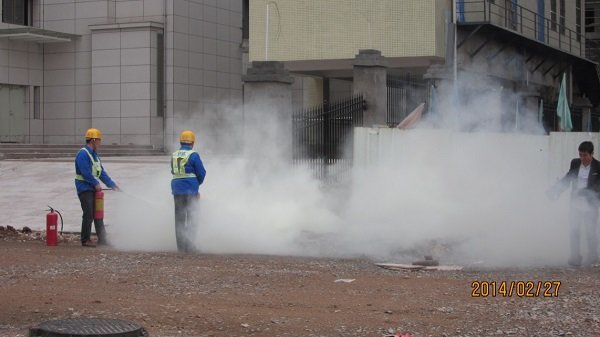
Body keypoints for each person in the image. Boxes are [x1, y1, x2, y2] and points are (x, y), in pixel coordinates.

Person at [548, 141, 600, 267]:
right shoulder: (575, 163)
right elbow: (568, 178)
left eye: (585, 155)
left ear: (592, 154)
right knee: (574, 230)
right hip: (575, 204)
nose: (583, 158)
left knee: (590, 231)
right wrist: (556, 190)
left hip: (590, 205)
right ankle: (575, 257)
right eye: (581, 155)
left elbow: (598, 186)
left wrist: (586, 192)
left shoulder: (598, 167)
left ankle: (593, 258)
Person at [74, 128, 120, 247]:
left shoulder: (94, 155)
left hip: (93, 189)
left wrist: (112, 185)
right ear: (93, 140)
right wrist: (95, 183)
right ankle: (85, 240)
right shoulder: (83, 154)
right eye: (99, 140)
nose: (100, 143)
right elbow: (85, 172)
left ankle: (103, 239)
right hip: (84, 189)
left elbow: (101, 172)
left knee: (98, 215)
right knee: (88, 214)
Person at [171, 130, 206, 252]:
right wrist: (197, 184)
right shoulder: (193, 155)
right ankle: (190, 246)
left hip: (176, 189)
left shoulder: (174, 154)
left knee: (179, 218)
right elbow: (202, 172)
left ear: (181, 141)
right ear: (192, 142)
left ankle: (181, 247)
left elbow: (173, 171)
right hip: (190, 189)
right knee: (192, 217)